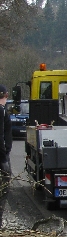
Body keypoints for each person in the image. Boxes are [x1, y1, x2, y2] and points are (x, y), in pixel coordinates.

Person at [0, 84, 12, 227]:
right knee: (3, 189)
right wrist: (3, 159)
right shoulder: (1, 110)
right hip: (1, 156)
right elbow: (0, 136)